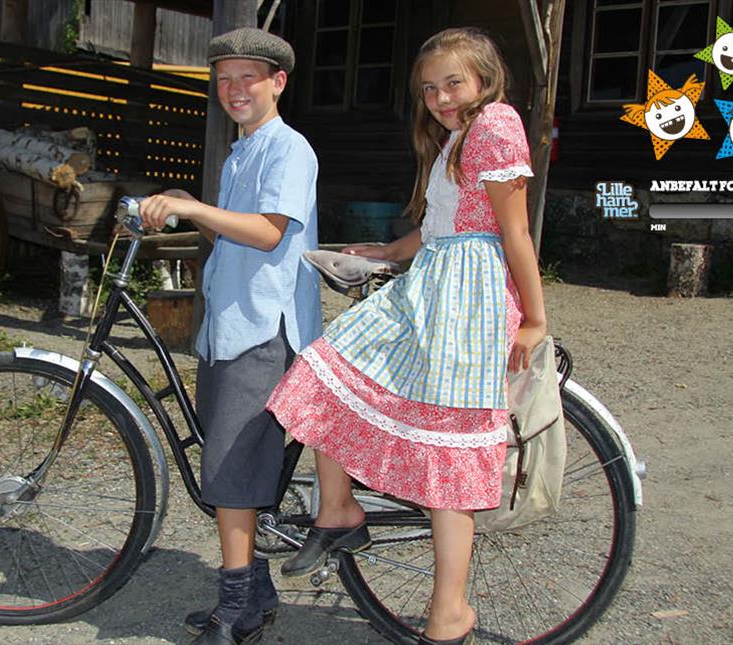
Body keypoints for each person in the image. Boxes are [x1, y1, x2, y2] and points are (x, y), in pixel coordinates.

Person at [266, 27, 549, 645]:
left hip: (468, 302)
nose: (442, 97)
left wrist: (533, 317)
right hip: (434, 286)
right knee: (327, 373)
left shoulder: (496, 125)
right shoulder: (455, 137)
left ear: (484, 79)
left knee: (447, 450)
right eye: (429, 88)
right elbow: (443, 226)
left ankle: (449, 611)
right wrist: (386, 251)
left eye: (453, 83)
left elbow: (515, 233)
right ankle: (338, 509)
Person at [138, 27, 321, 645]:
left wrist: (193, 210)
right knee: (230, 465)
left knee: (231, 471)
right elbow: (238, 236)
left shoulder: (288, 149)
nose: (234, 89)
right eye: (224, 79)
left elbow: (271, 233)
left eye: (248, 77)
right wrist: (195, 201)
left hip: (264, 329)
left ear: (278, 82)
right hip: (231, 325)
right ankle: (256, 595)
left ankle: (236, 612)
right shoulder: (243, 151)